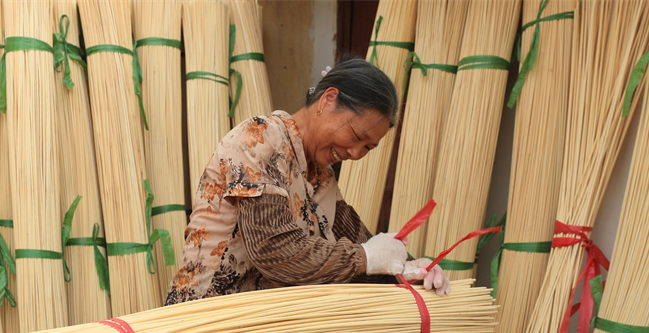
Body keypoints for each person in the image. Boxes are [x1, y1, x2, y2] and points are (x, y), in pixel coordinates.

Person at [165, 57, 448, 305]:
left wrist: (410, 269)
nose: (354, 153)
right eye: (356, 136)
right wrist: (368, 257)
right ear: (328, 100)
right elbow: (273, 250)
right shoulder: (262, 137)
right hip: (209, 323)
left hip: (266, 329)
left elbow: (362, 245)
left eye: (368, 148)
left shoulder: (321, 176)